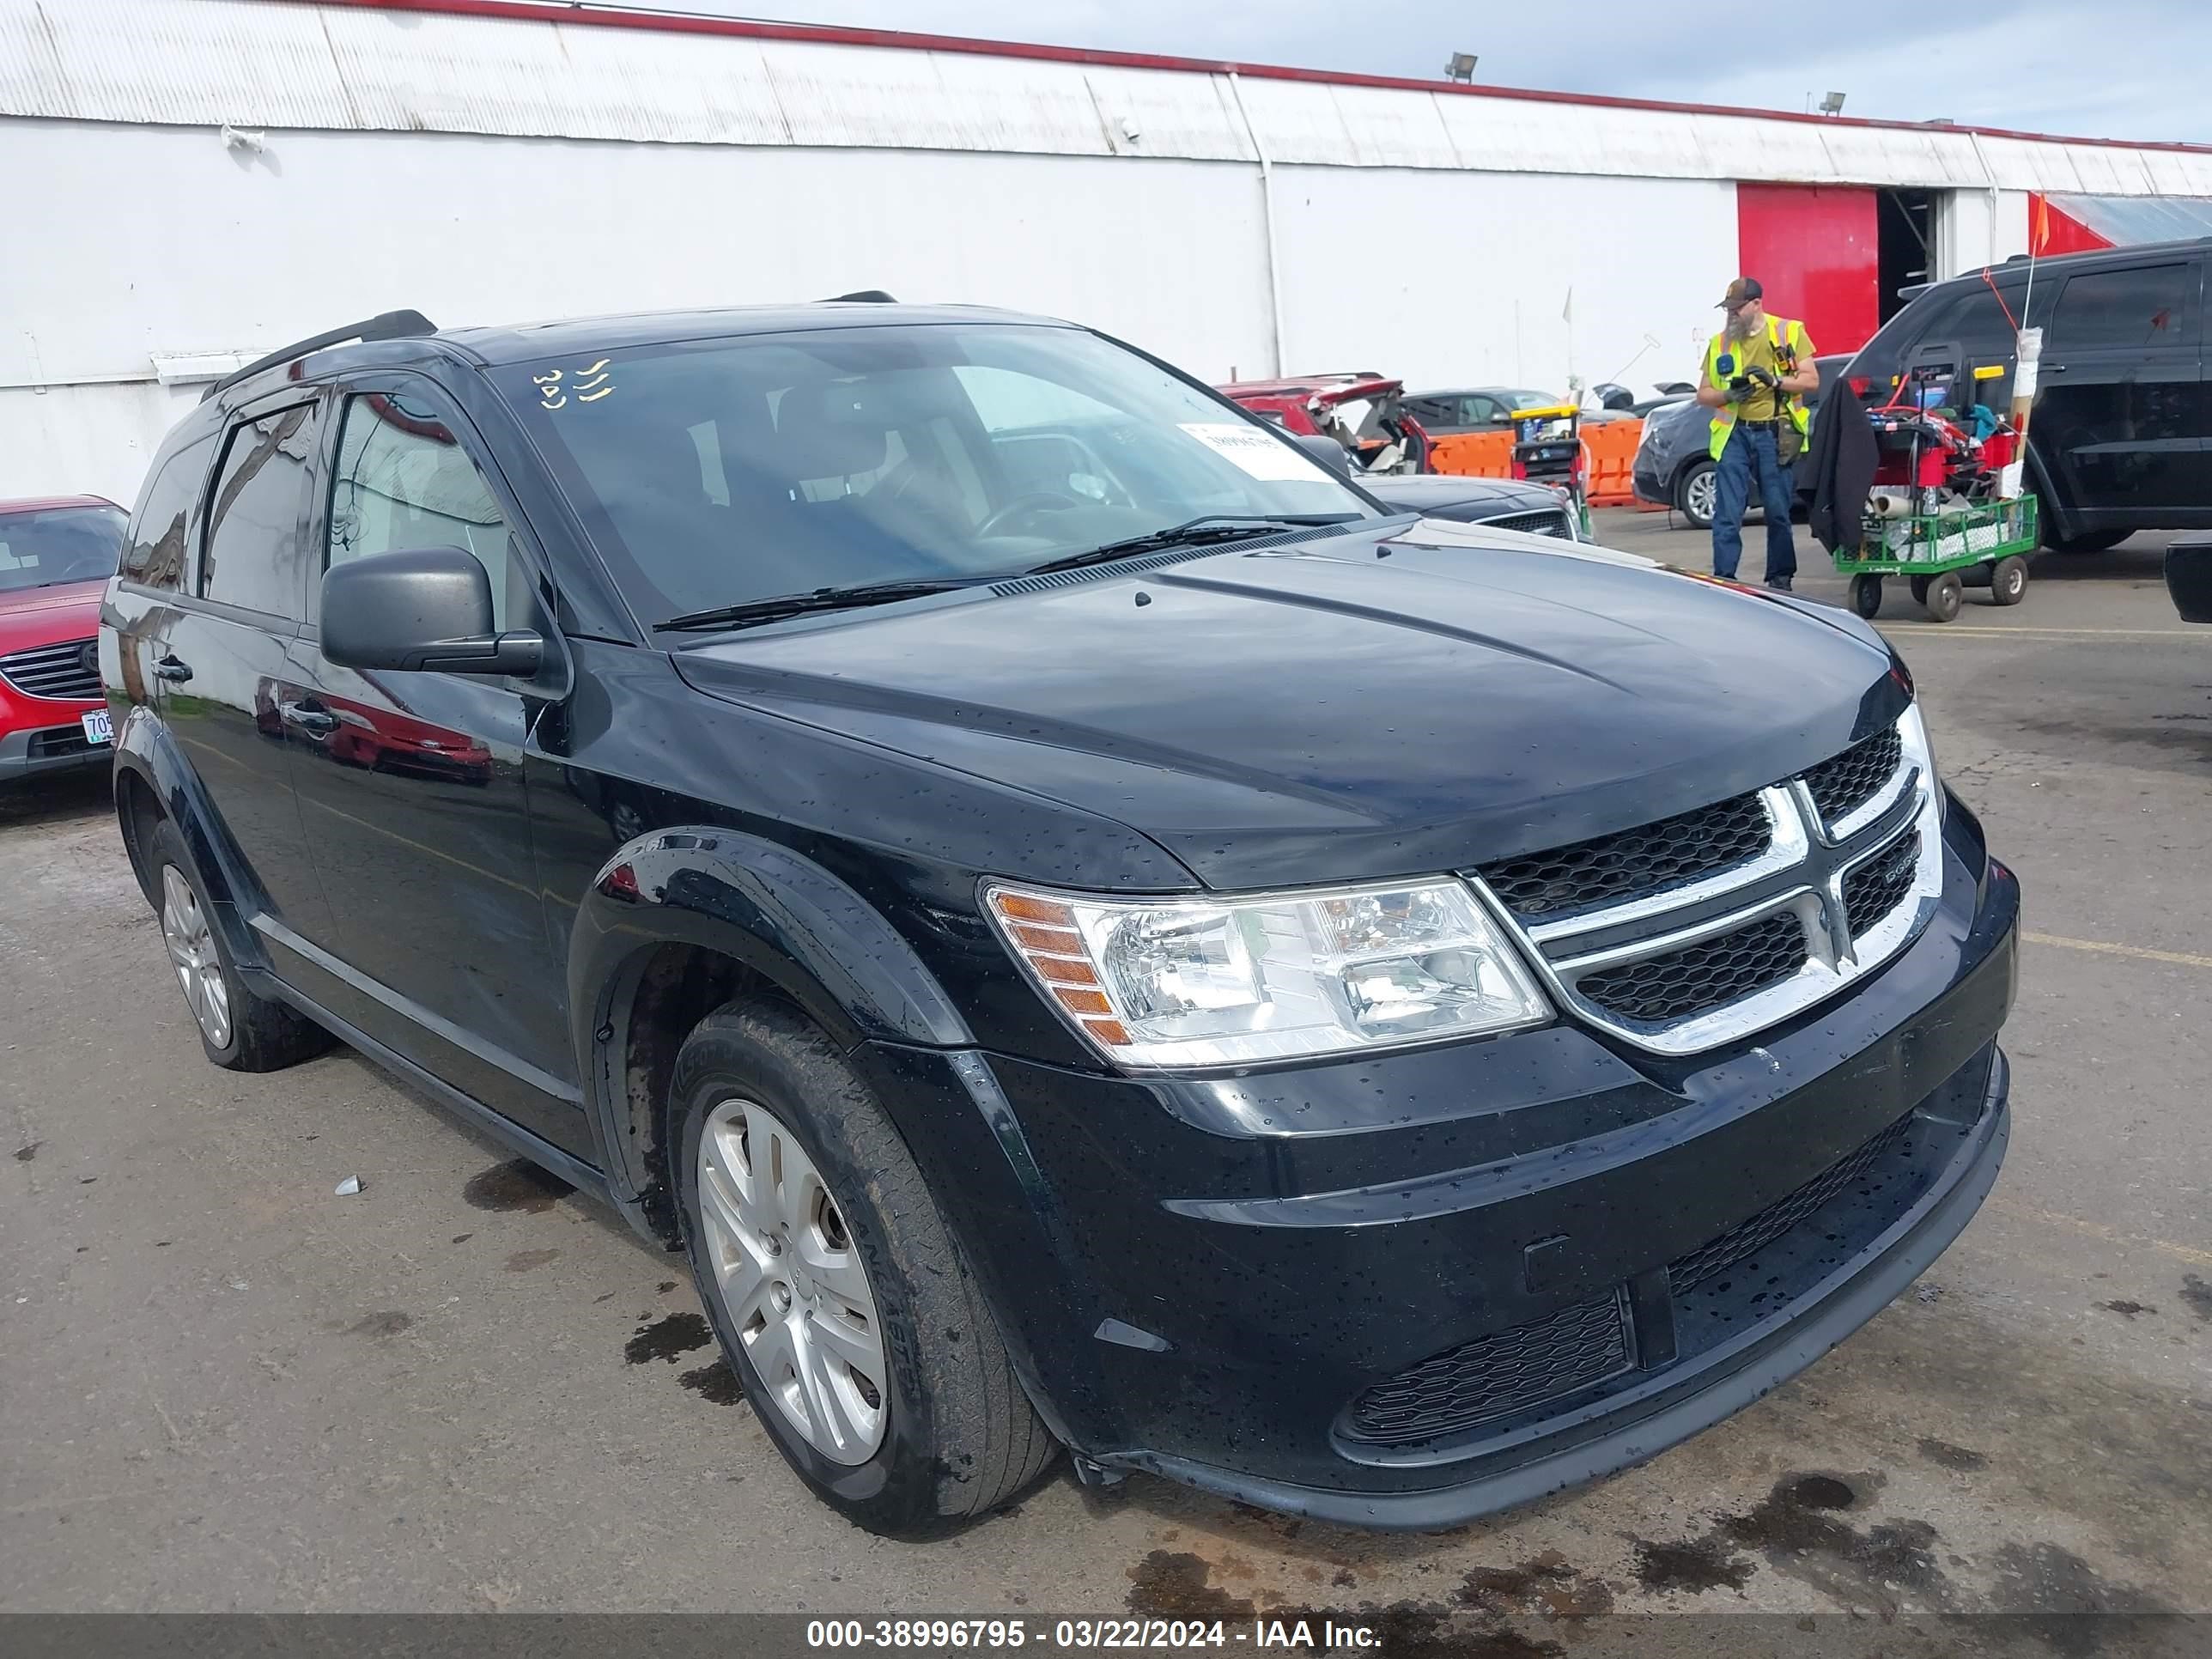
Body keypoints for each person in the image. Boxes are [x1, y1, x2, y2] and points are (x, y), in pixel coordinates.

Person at [1697, 277, 1819, 590]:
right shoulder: (1720, 343)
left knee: (1778, 510)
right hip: (1735, 434)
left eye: (1737, 309)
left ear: (1756, 304)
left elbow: (1810, 380)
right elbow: (1704, 393)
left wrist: (1775, 382)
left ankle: (1780, 578)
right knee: (1727, 513)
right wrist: (1729, 396)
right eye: (1728, 309)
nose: (1732, 315)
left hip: (1774, 432)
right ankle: (1724, 578)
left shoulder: (1788, 332)